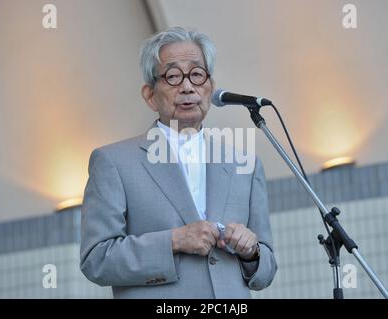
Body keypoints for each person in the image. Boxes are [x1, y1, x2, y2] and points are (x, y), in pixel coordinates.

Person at [80, 26, 277, 299]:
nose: (187, 86)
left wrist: (251, 252)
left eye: (197, 74)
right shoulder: (113, 162)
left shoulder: (245, 163)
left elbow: (266, 270)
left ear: (211, 88)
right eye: (173, 76)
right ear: (150, 95)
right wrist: (173, 241)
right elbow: (96, 259)